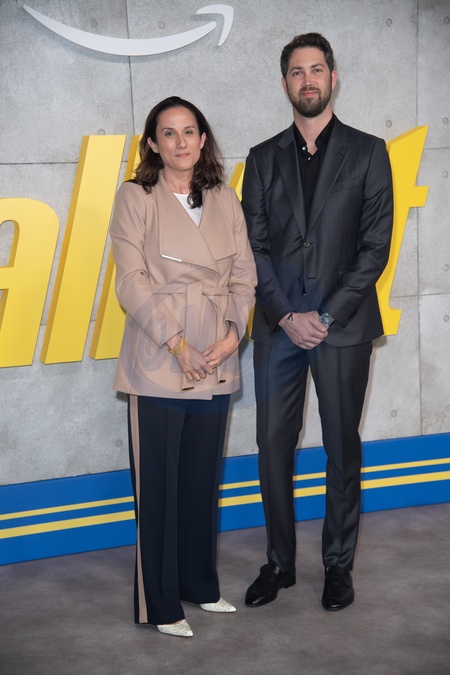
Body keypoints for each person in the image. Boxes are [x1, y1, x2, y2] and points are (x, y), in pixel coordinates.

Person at [241, 33, 393, 611]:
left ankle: (338, 566)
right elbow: (252, 247)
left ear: (333, 77)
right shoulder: (262, 158)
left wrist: (324, 315)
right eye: (297, 71)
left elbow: (374, 249)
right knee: (272, 447)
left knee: (340, 448)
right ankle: (279, 564)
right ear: (284, 83)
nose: (307, 80)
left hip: (342, 328)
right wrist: (285, 314)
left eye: (317, 69)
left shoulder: (369, 152)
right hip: (278, 328)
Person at [110, 96, 256, 637]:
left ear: (202, 139)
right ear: (152, 143)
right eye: (168, 133)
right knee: (159, 488)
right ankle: (161, 603)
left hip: (215, 353)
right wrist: (176, 343)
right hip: (160, 354)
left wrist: (233, 334)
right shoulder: (136, 196)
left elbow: (244, 274)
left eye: (189, 131)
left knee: (200, 480)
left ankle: (200, 584)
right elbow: (131, 280)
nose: (180, 142)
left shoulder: (223, 196)